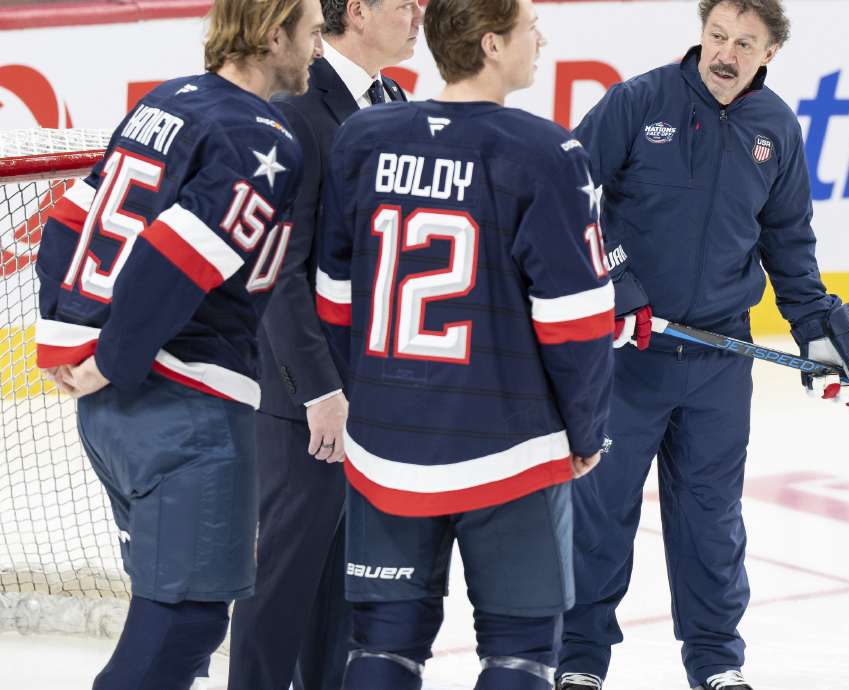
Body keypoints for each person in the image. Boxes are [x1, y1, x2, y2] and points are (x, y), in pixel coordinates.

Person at [555, 1, 849, 689]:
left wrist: (817, 328)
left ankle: (716, 664)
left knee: (712, 520)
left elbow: (789, 240)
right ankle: (579, 665)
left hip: (720, 360)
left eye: (744, 43)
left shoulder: (775, 128)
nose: (724, 53)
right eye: (717, 36)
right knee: (599, 513)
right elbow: (570, 193)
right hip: (627, 356)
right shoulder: (638, 102)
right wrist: (619, 283)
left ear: (770, 53)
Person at [313, 0, 613, 687]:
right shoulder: (548, 152)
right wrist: (588, 430)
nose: (541, 38)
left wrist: (375, 402)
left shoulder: (365, 136)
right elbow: (578, 325)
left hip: (385, 450)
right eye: (529, 27)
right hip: (509, 451)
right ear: (491, 45)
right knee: (520, 653)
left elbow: (334, 297)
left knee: (382, 648)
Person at [32, 1, 323, 688]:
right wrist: (113, 358)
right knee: (186, 620)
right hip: (185, 407)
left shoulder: (165, 102)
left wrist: (66, 344)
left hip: (119, 417)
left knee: (166, 605)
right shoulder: (261, 134)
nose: (317, 45)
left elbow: (70, 218)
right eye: (311, 30)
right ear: (274, 31)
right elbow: (177, 254)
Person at [228, 0, 419, 688]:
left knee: (341, 594)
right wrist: (319, 389)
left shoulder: (392, 99)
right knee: (278, 590)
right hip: (303, 403)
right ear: (359, 11)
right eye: (406, 3)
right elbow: (277, 269)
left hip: (370, 398)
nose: (419, 13)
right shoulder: (298, 110)